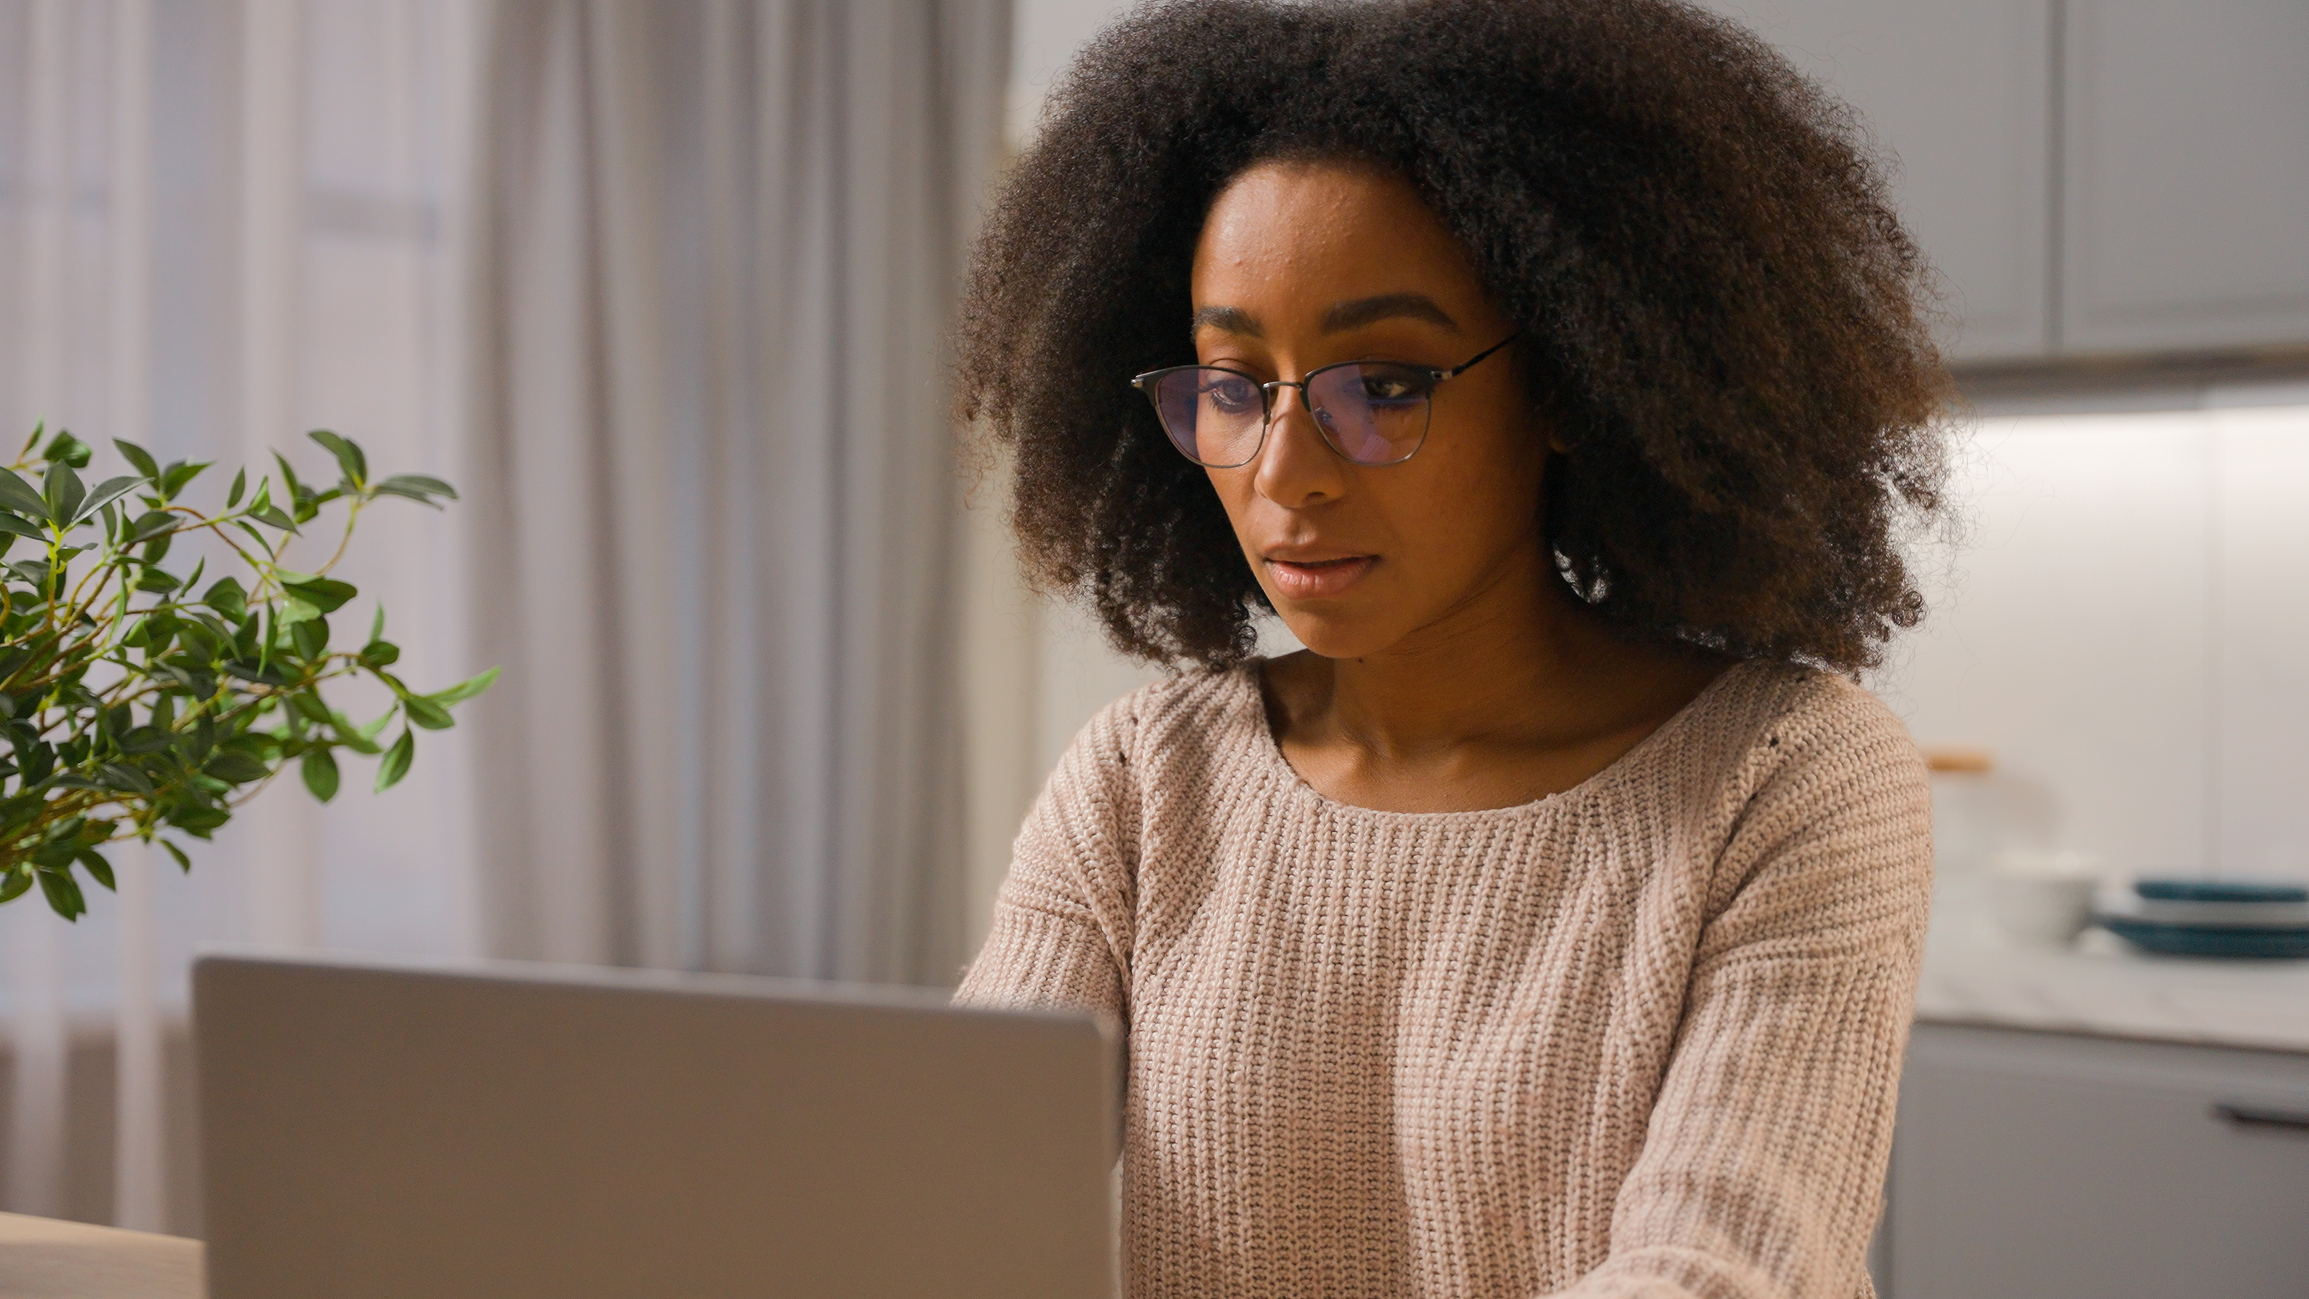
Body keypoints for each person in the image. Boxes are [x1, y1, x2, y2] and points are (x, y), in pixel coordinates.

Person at [953, 1, 1948, 1295]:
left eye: (1385, 385)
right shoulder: (1143, 783)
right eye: (1234, 384)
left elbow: (1712, 1275)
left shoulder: (1786, 781)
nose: (1285, 473)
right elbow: (952, 1185)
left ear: (1578, 383)